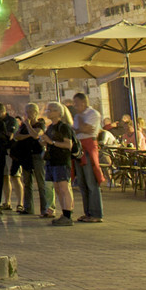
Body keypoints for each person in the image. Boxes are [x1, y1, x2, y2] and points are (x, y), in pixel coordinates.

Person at [41, 101, 78, 226]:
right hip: (52, 160)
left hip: (62, 160)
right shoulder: (51, 127)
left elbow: (68, 145)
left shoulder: (64, 127)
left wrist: (51, 142)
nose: (48, 112)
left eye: (50, 110)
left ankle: (68, 215)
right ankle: (64, 213)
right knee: (57, 187)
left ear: (58, 112)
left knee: (63, 187)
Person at [11, 103, 52, 216]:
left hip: (37, 155)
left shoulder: (40, 123)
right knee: (27, 183)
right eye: (27, 112)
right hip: (26, 156)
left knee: (41, 183)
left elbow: (36, 135)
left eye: (30, 112)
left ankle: (45, 209)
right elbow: (17, 136)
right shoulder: (23, 126)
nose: (28, 114)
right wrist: (28, 133)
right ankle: (28, 207)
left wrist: (29, 126)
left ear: (36, 112)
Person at [70, 92, 105, 224]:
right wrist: (80, 128)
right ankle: (87, 212)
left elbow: (86, 128)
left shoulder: (93, 114)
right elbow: (77, 130)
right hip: (79, 147)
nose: (75, 106)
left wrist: (80, 127)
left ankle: (96, 212)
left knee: (91, 181)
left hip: (89, 147)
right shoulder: (77, 116)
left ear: (83, 102)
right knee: (82, 182)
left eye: (76, 103)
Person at [0, 102, 19, 210]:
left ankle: (20, 203)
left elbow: (9, 136)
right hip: (0, 152)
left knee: (15, 177)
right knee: (4, 177)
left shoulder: (11, 121)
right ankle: (7, 202)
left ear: (1, 111)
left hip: (11, 152)